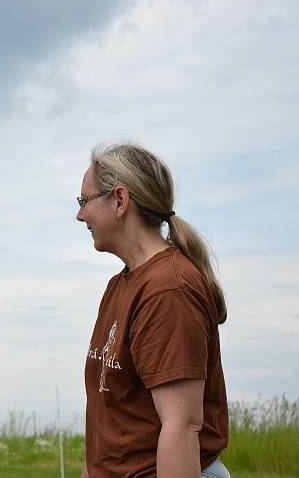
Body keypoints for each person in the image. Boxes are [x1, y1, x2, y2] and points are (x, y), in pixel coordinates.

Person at [77, 143, 230, 478]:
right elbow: (109, 420)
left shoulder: (168, 290)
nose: (79, 215)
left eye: (84, 201)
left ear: (119, 200)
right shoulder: (121, 285)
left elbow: (182, 426)